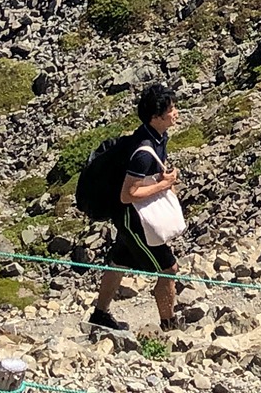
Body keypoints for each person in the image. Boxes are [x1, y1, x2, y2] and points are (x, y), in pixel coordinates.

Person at [90, 84, 182, 335]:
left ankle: (99, 315)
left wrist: (163, 178)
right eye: (171, 109)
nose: (176, 112)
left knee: (119, 260)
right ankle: (169, 327)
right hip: (132, 218)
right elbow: (128, 194)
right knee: (168, 268)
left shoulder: (157, 137)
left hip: (131, 216)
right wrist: (165, 184)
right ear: (156, 116)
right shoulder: (142, 149)